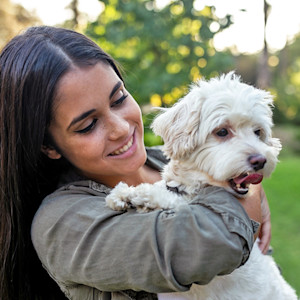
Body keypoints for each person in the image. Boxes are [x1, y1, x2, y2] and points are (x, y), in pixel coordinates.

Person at [0, 26, 271, 300]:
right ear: (47, 146)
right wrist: (251, 190)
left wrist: (241, 178)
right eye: (89, 125)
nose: (120, 128)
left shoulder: (170, 159)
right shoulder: (60, 223)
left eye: (118, 99)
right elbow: (210, 246)